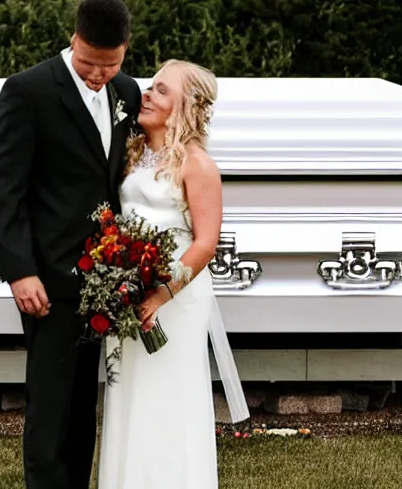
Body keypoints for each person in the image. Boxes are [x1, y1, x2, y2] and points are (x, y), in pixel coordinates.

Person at [0, 0, 141, 489]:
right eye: (91, 63)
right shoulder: (27, 90)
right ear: (74, 41)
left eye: (110, 65)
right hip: (47, 278)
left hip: (105, 280)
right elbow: (2, 188)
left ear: (124, 52)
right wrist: (19, 270)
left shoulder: (129, 93)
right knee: (50, 405)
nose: (99, 75)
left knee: (82, 405)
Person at [98, 60, 250, 488]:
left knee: (167, 401)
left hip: (175, 300)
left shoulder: (199, 165)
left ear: (186, 106)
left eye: (161, 90)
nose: (146, 94)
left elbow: (205, 243)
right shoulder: (132, 151)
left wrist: (160, 295)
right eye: (150, 87)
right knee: (127, 398)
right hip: (128, 295)